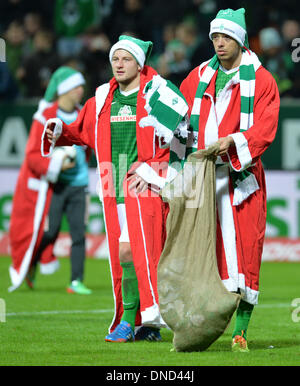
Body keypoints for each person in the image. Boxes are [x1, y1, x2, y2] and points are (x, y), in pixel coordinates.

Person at [42, 35, 188, 342]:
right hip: (113, 188)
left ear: (139, 63)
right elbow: (83, 132)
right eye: (115, 59)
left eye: (126, 59)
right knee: (126, 254)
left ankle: (132, 319)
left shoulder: (154, 94)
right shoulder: (102, 100)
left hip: (145, 186)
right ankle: (144, 323)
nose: (119, 65)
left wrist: (157, 170)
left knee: (134, 251)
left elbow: (181, 128)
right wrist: (61, 132)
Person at [179, 8, 280, 352]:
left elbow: (264, 130)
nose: (219, 43)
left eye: (226, 37)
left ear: (239, 39)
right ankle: (199, 328)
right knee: (202, 256)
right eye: (215, 37)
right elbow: (180, 123)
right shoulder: (196, 77)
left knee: (246, 253)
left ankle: (241, 332)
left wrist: (233, 142)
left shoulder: (262, 80)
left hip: (242, 178)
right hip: (203, 180)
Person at [9, 66, 92, 295]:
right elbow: (34, 154)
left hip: (80, 184)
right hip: (56, 186)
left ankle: (76, 281)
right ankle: (32, 262)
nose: (80, 90)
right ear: (64, 90)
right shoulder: (46, 116)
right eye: (76, 86)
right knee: (51, 231)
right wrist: (58, 163)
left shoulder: (83, 113)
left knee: (78, 233)